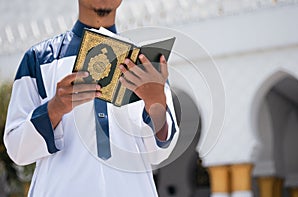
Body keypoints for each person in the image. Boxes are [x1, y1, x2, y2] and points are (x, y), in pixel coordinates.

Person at [4, 0, 179, 196]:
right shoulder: (40, 59)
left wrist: (155, 102)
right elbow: (17, 150)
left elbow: (160, 152)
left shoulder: (144, 65)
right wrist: (53, 109)